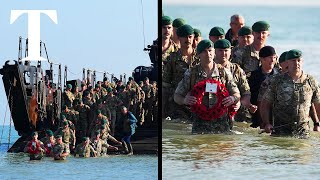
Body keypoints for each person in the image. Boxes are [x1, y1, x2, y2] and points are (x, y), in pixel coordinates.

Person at [174, 39, 240, 134]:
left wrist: (232, 98)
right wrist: (185, 100)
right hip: (200, 124)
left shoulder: (223, 72)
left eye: (210, 50)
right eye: (204, 51)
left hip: (222, 124)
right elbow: (177, 96)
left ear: (214, 53)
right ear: (199, 54)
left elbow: (236, 93)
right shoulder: (192, 73)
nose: (208, 53)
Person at [260, 49, 320, 138]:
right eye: (293, 61)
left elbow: (317, 104)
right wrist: (267, 123)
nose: (296, 63)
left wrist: (317, 123)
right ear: (287, 63)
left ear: (302, 62)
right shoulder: (277, 80)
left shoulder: (311, 81)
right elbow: (265, 104)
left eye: (299, 60)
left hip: (303, 132)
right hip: (280, 131)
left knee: (303, 151)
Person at [213, 39, 257, 122]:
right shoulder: (209, 69)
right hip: (213, 109)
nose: (223, 53)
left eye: (226, 50)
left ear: (231, 51)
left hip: (234, 111)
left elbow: (246, 93)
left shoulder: (237, 70)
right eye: (220, 51)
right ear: (214, 52)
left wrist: (239, 103)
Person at [163, 24, 200, 119]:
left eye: (190, 37)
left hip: (198, 102)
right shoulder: (172, 58)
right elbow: (166, 84)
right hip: (178, 104)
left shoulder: (200, 57)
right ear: (179, 38)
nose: (187, 40)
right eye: (184, 37)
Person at [248, 46, 279, 127]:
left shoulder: (279, 75)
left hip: (274, 116)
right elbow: (247, 94)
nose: (272, 60)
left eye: (274, 57)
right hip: (256, 115)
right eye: (270, 58)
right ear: (262, 59)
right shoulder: (253, 76)